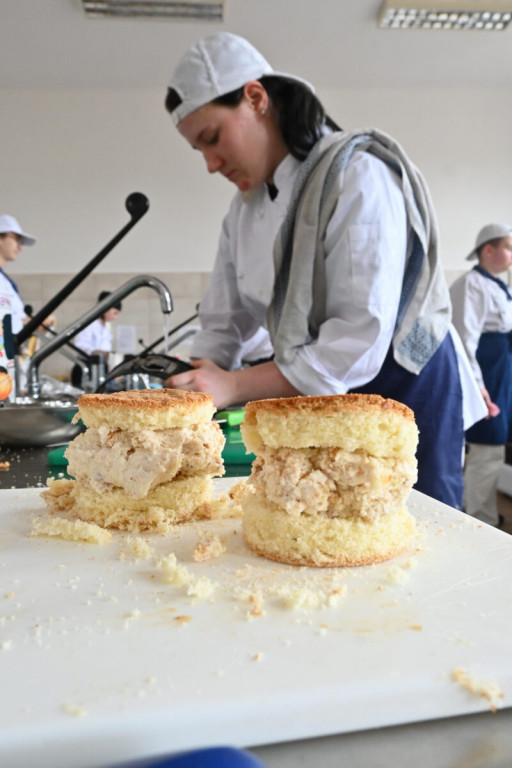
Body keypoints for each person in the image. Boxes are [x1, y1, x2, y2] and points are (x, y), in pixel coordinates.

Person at [163, 32, 485, 509]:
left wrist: (231, 385)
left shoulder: (356, 176)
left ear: (256, 98)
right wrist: (193, 387)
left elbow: (355, 339)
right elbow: (223, 320)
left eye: (212, 138)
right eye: (199, 150)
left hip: (403, 384)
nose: (211, 164)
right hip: (323, 392)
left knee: (416, 526)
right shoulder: (244, 210)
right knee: (329, 526)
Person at [450, 223, 512, 527]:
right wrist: (478, 385)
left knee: (493, 449)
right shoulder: (472, 285)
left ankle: (481, 511)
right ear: (489, 249)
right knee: (487, 448)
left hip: (501, 374)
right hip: (487, 376)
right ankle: (478, 520)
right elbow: (465, 340)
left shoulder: (498, 285)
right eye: (509, 247)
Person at [71, 291, 122, 387]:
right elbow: (79, 344)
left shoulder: (107, 327)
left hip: (101, 368)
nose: (115, 317)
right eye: (115, 313)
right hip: (86, 368)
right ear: (106, 308)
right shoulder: (88, 323)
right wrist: (95, 352)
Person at [0, 214, 36, 334]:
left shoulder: (5, 281)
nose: (20, 247)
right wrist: (23, 323)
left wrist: (34, 323)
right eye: (16, 239)